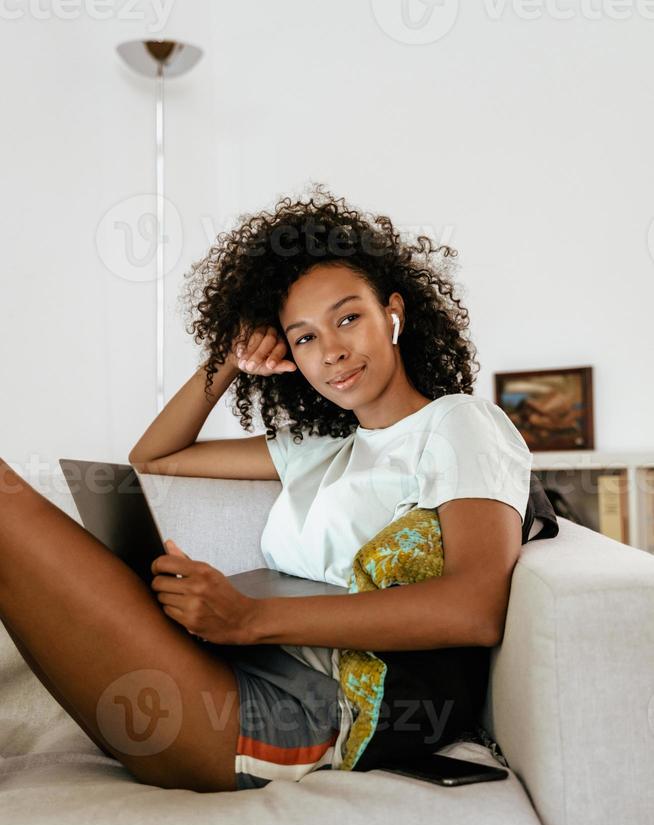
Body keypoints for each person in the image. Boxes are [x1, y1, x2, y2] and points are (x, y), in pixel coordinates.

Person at [0, 183, 554, 794]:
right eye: (305, 336)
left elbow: (475, 608)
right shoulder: (320, 452)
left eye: (348, 318)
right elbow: (155, 455)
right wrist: (230, 358)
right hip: (230, 667)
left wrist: (249, 618)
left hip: (306, 712)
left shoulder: (459, 422)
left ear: (393, 314)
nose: (333, 351)